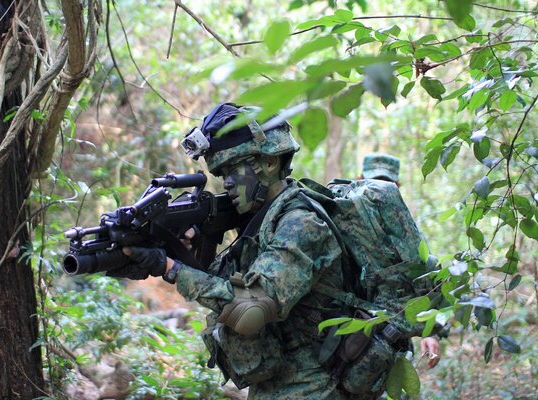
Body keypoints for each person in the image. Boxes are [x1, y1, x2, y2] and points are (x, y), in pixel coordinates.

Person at [106, 103, 435, 399]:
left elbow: (250, 311)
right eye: (220, 175)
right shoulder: (260, 222)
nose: (227, 184)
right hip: (285, 381)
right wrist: (175, 251)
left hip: (319, 385)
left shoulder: (300, 223)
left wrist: (171, 268)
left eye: (234, 169)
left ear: (269, 161)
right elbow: (229, 285)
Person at [360, 152, 442, 370]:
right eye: (372, 182)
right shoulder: (341, 218)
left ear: (397, 185)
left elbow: (424, 284)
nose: (378, 190)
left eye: (386, 184)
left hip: (392, 341)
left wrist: (430, 332)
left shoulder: (406, 232)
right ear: (359, 180)